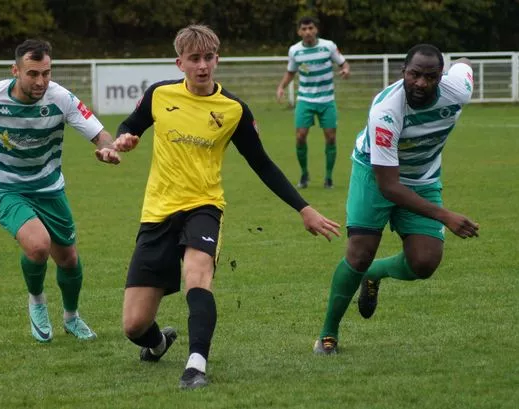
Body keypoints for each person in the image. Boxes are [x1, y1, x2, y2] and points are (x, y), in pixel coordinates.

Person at [111, 24, 341, 390]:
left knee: (197, 277)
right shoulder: (158, 94)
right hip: (157, 212)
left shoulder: (233, 109)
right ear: (180, 63)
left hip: (204, 206)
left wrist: (304, 208)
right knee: (134, 325)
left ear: (217, 59)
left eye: (208, 58)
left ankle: (196, 366)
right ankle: (157, 343)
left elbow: (262, 163)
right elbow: (132, 124)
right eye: (194, 59)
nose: (202, 66)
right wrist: (124, 137)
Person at [0, 39, 121, 343]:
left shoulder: (61, 98)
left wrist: (108, 150)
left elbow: (99, 132)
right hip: (3, 186)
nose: (41, 81)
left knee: (69, 259)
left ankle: (72, 317)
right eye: (32, 74)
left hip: (48, 186)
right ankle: (37, 302)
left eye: (46, 73)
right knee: (38, 246)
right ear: (16, 70)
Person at [313, 44, 479, 355]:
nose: (421, 83)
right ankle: (328, 333)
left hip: (422, 177)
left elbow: (465, 63)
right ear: (403, 72)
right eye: (414, 74)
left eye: (430, 76)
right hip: (374, 175)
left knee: (425, 262)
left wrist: (461, 63)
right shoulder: (386, 111)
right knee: (360, 253)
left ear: (441, 77)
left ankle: (375, 273)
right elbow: (389, 186)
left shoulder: (458, 90)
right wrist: (446, 215)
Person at [276, 16, 350, 189]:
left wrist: (346, 70)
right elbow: (291, 72)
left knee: (331, 138)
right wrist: (281, 87)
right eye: (304, 29)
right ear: (299, 32)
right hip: (305, 100)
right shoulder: (295, 50)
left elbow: (344, 64)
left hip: (327, 100)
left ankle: (329, 178)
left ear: (316, 29)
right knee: (300, 136)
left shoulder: (328, 46)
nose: (308, 32)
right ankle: (304, 175)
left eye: (310, 28)